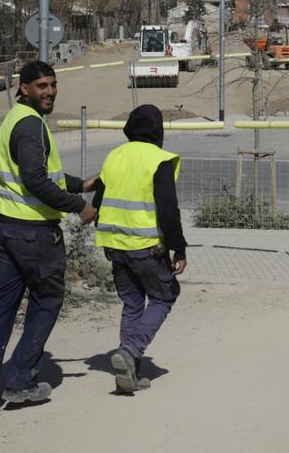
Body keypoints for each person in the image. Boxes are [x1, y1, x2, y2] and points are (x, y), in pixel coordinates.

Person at [0, 61, 99, 420]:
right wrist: (78, 206)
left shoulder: (13, 119)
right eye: (42, 86)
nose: (50, 92)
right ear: (24, 89)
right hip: (33, 233)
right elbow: (36, 181)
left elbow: (36, 173)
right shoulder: (30, 125)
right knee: (48, 298)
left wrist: (78, 183)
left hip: (2, 229)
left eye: (53, 85)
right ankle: (19, 380)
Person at [93, 104, 187, 393]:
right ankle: (131, 351)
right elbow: (168, 210)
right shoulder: (159, 159)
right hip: (146, 247)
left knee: (132, 302)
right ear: (158, 130)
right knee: (165, 295)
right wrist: (179, 249)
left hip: (114, 246)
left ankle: (129, 369)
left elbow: (99, 201)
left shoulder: (114, 156)